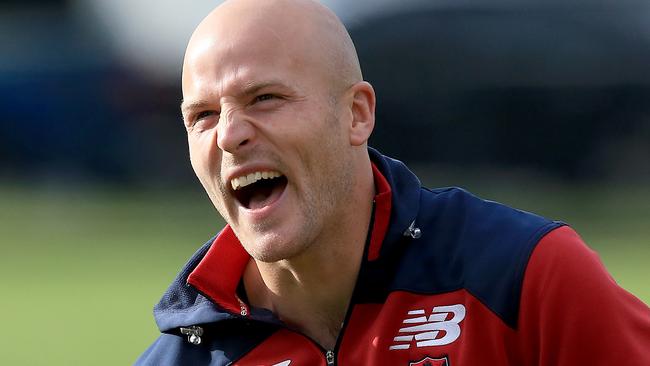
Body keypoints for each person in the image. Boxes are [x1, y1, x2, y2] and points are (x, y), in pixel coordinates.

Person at [136, 0, 650, 364]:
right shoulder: (182, 359)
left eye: (265, 98)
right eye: (202, 115)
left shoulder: (522, 278)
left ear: (357, 115)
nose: (229, 135)